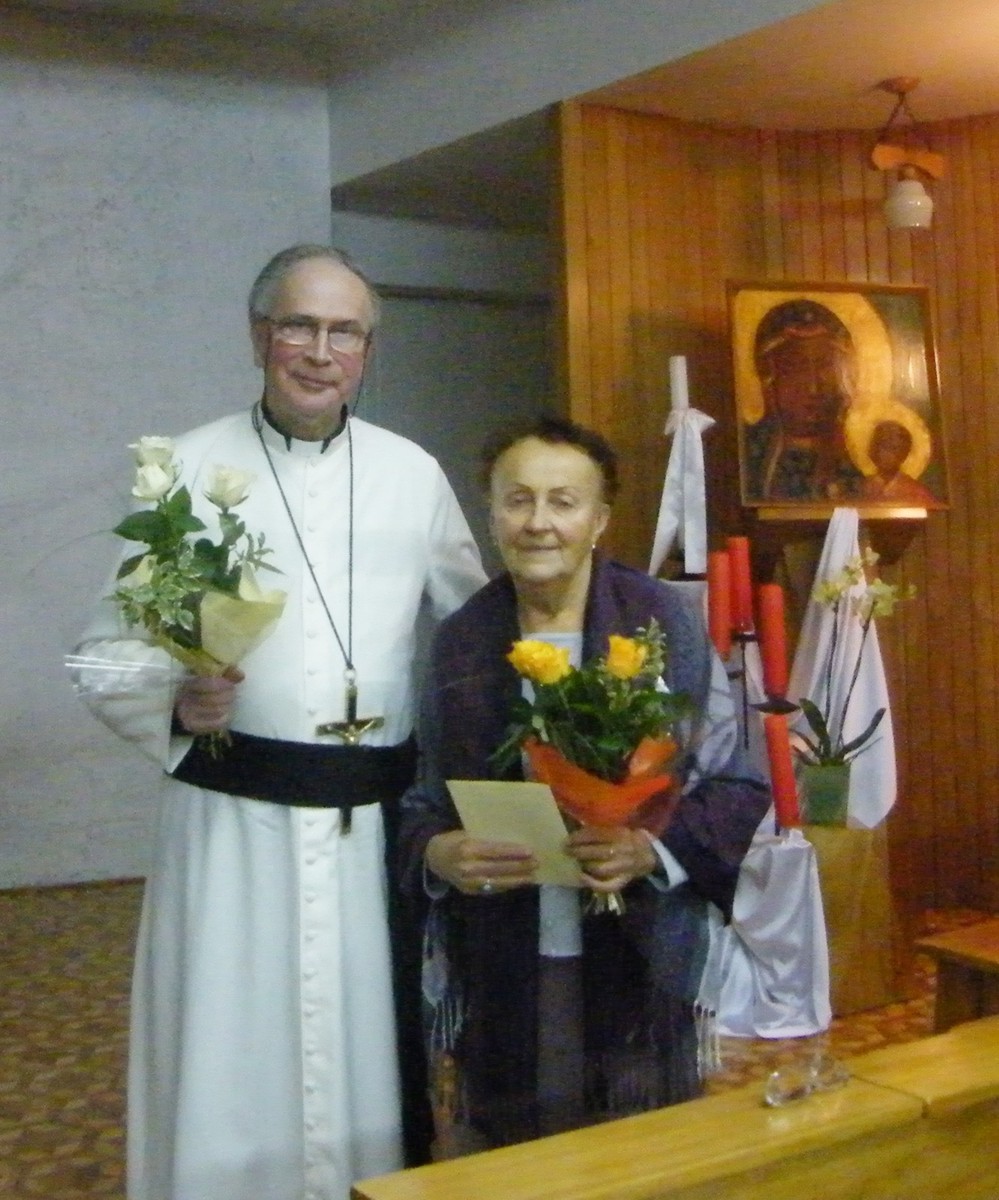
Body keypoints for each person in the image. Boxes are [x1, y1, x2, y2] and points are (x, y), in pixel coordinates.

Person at [74, 244, 486, 1200]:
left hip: (366, 833)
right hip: (231, 827)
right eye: (299, 325)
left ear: (368, 350)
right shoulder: (185, 468)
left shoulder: (411, 473)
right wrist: (173, 698)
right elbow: (102, 652)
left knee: (363, 1051)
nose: (320, 351)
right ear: (260, 336)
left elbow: (474, 637)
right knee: (230, 1045)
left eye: (345, 332)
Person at [396, 415, 771, 1152]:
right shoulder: (460, 640)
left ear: (599, 520)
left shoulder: (663, 628)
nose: (538, 522)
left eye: (562, 502)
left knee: (635, 1158)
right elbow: (419, 799)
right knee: (515, 1160)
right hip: (503, 953)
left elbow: (736, 783)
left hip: (637, 951)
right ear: (490, 514)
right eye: (517, 500)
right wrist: (439, 853)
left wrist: (649, 849)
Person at [744, 299, 864, 502]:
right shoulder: (747, 456)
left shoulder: (855, 468)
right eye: (797, 370)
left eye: (825, 368)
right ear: (768, 377)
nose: (813, 388)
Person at [858, 418, 939, 505]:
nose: (887, 454)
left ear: (903, 454)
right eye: (884, 447)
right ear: (874, 450)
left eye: (894, 449)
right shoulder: (862, 488)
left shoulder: (916, 491)